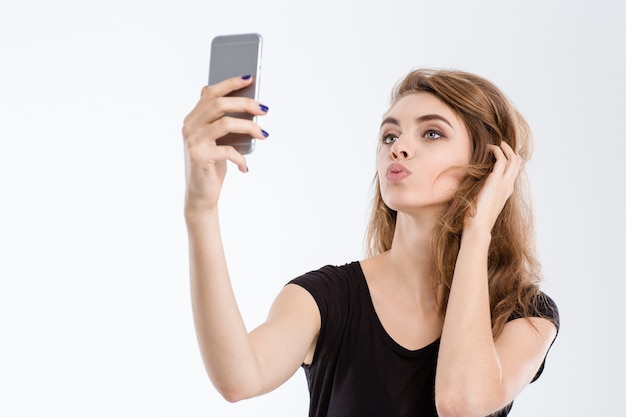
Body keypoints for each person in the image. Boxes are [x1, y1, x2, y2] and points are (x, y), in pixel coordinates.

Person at [181, 68, 560, 417]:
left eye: (431, 133)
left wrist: (477, 231)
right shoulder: (324, 298)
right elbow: (238, 378)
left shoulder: (524, 313)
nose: (399, 148)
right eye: (390, 136)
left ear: (490, 165)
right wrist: (201, 209)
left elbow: (460, 402)